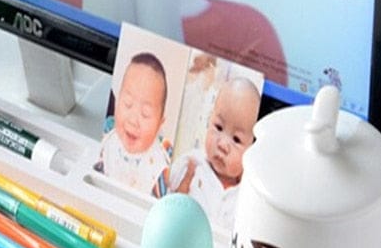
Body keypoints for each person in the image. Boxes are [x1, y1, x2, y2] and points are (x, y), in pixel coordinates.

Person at [166, 76, 260, 229]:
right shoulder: (191, 165)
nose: (222, 144)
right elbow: (163, 204)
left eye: (236, 139)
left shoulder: (246, 194)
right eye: (218, 127)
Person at [96, 52, 172, 195]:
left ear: (160, 124)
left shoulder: (159, 168)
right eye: (127, 104)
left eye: (145, 114)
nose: (133, 120)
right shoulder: (107, 133)